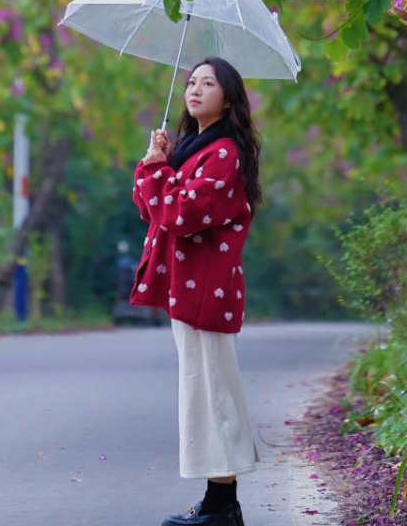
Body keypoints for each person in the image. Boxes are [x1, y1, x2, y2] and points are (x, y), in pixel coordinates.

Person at [130, 57, 263, 526]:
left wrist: (159, 170)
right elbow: (150, 207)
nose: (195, 89)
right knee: (204, 390)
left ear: (228, 99)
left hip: (205, 287)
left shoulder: (224, 153)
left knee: (212, 392)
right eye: (192, 82)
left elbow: (181, 214)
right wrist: (156, 161)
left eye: (208, 83)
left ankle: (223, 506)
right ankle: (218, 504)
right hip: (187, 286)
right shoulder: (193, 150)